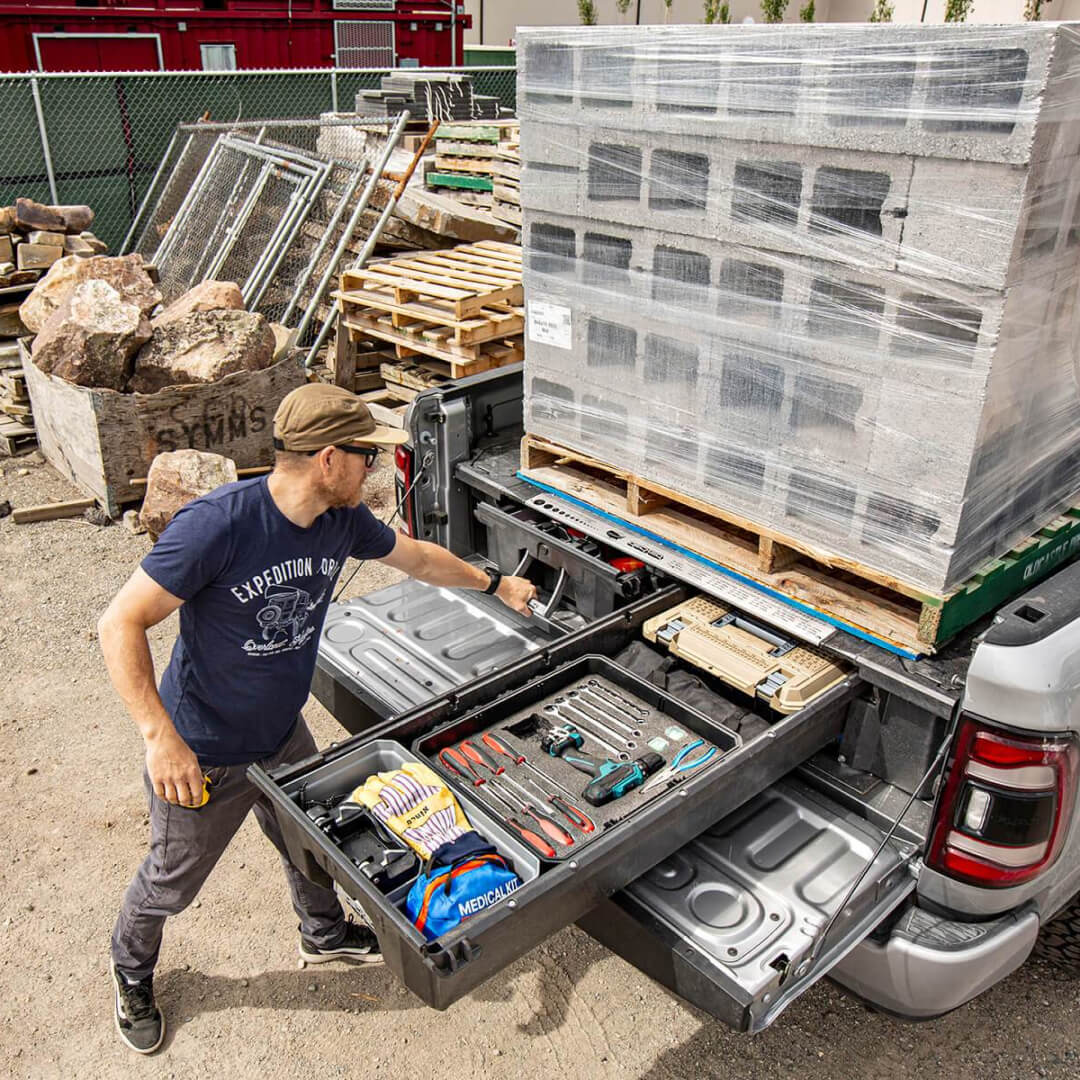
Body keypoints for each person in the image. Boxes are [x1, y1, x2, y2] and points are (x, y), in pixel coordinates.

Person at [98, 383, 537, 1054]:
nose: (376, 468)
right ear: (329, 459)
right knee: (171, 881)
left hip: (281, 731)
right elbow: (119, 622)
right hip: (204, 746)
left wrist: (497, 585)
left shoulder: (340, 520)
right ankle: (129, 969)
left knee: (315, 844)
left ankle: (324, 935)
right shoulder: (219, 524)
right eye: (368, 455)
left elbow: (415, 556)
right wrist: (161, 739)